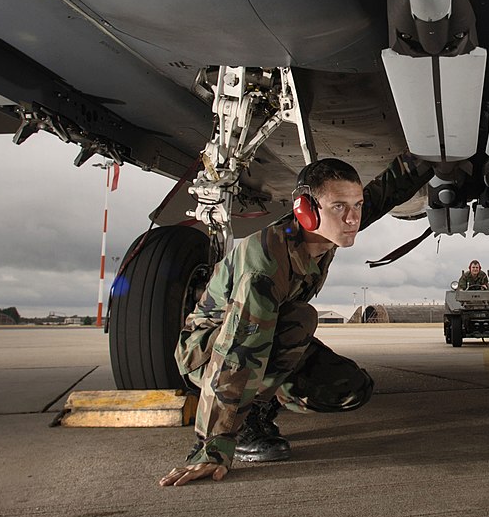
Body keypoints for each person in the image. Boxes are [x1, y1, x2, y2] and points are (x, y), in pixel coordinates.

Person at [159, 153, 431, 487]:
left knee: (351, 389)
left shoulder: (325, 230)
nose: (352, 218)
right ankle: (246, 423)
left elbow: (383, 193)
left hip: (268, 335)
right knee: (300, 318)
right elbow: (237, 351)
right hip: (209, 352)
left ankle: (265, 396)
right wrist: (212, 449)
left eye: (357, 205)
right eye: (339, 207)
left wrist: (430, 157)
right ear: (306, 210)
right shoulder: (265, 264)